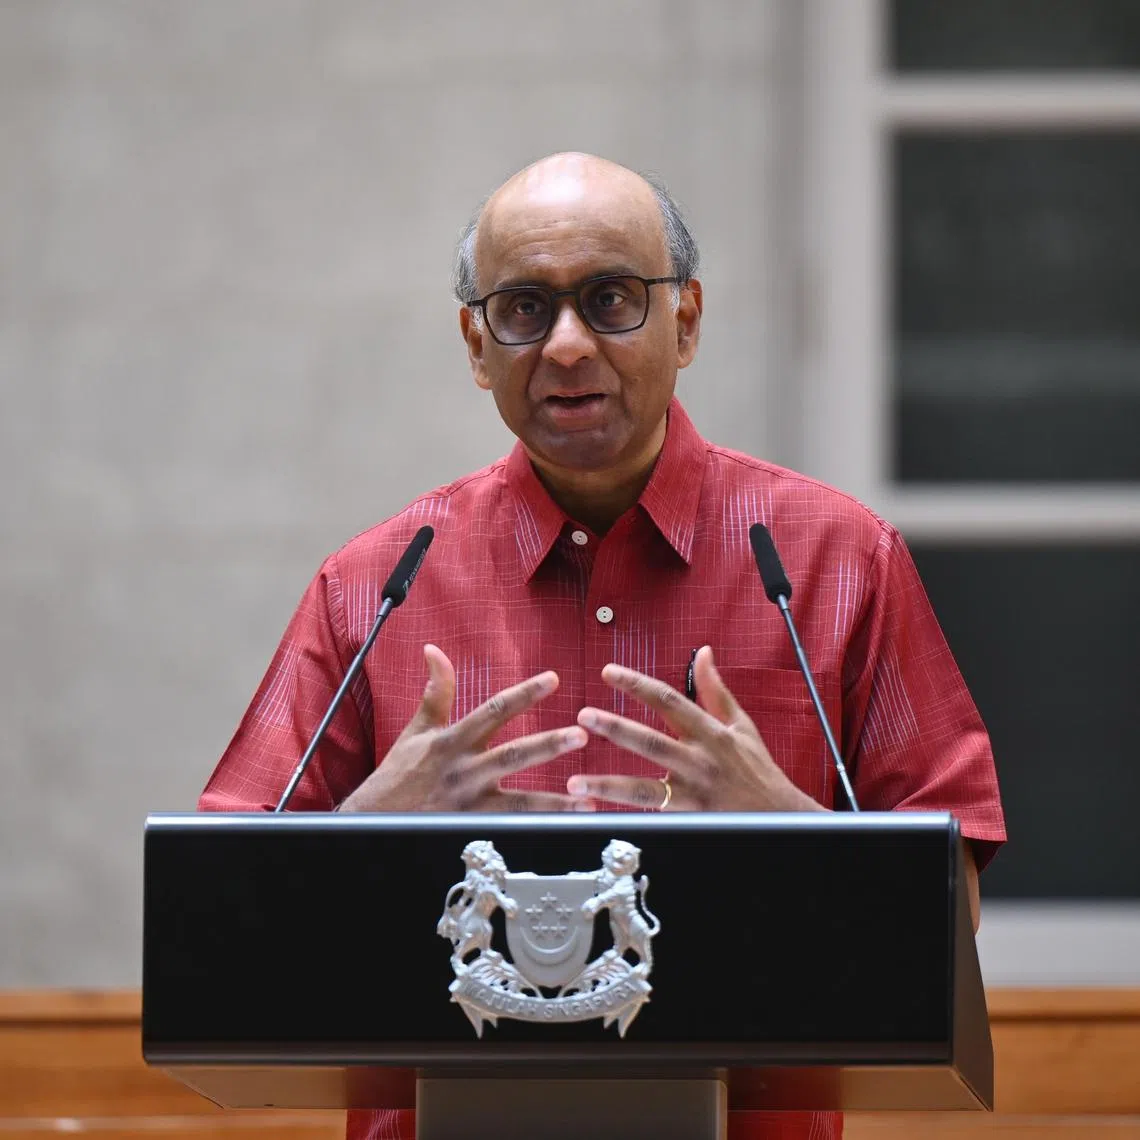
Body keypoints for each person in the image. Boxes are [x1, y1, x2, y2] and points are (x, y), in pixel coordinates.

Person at [200, 153, 1006, 1140]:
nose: (569, 346)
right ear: (475, 342)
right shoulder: (372, 584)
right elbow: (218, 913)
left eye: (613, 299)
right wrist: (366, 833)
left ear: (689, 320)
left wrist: (794, 835)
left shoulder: (835, 563)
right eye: (526, 307)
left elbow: (951, 906)